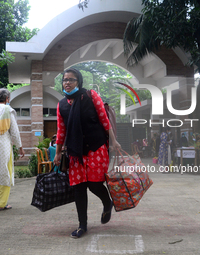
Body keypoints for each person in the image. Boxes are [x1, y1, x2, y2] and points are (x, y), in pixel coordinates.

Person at [54, 68, 121, 239]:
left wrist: (113, 141)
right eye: (65, 80)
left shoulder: (91, 96)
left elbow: (104, 120)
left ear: (79, 81)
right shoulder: (61, 104)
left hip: (96, 147)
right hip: (75, 152)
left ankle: (107, 203)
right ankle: (82, 225)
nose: (67, 83)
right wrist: (58, 152)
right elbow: (61, 130)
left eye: (71, 79)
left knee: (94, 183)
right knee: (79, 188)